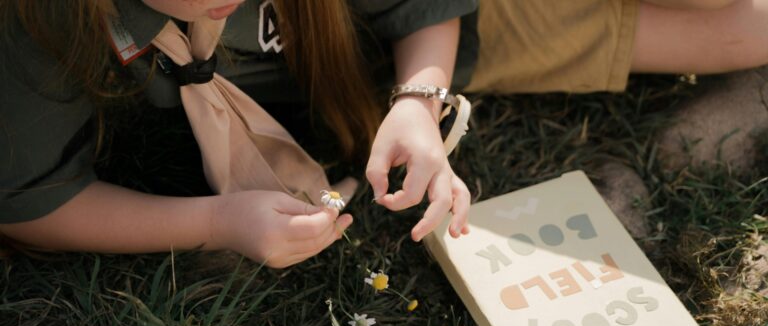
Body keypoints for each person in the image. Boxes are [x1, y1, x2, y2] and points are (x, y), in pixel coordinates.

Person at [0, 0, 764, 268]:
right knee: (748, 31)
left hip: (422, 39)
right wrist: (212, 222)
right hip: (470, 28)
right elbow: (30, 200)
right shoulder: (33, 24)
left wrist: (417, 102)